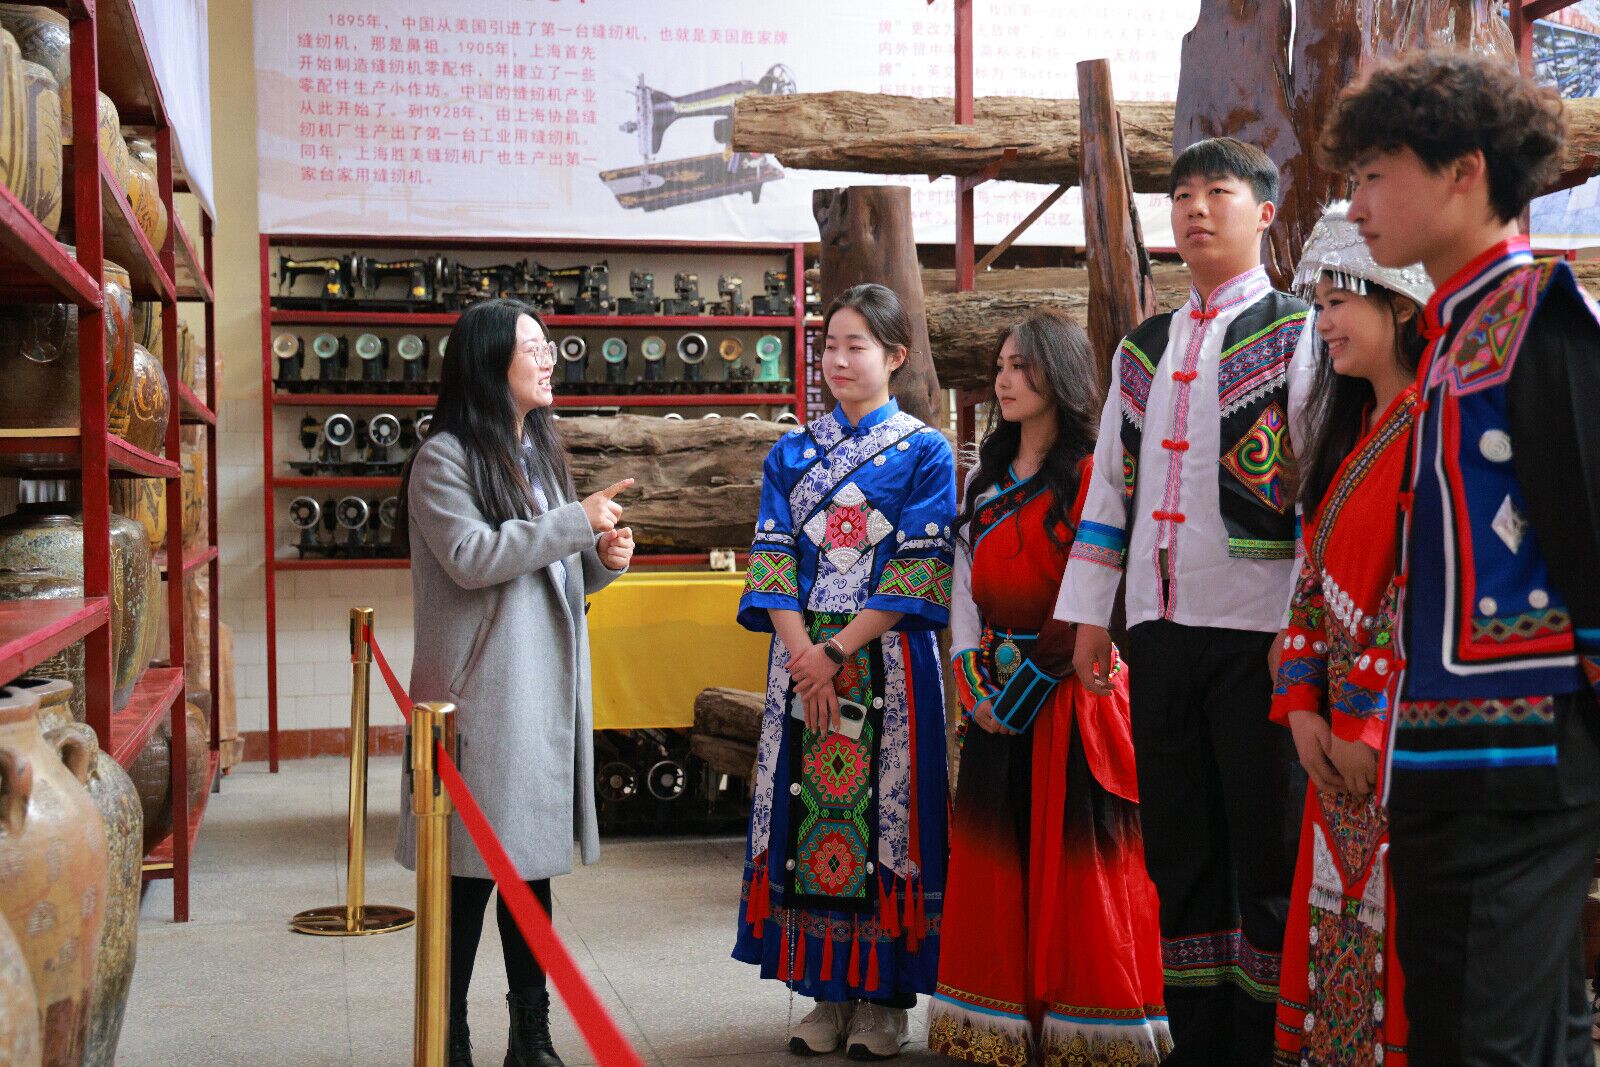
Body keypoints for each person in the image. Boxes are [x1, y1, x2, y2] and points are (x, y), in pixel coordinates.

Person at [1321, 51, 1600, 1065]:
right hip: (1444, 756)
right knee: (1504, 1030)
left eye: (1375, 173)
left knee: (1482, 1040)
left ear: (1463, 171)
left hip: (1522, 760)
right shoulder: (1450, 338)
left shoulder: (1541, 322)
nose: (1357, 205)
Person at [1055, 136, 1318, 1065]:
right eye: (1182, 196)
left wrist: (1302, 627)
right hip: (1158, 631)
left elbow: (1316, 490)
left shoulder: (1297, 331)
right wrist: (1092, 615)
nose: (1196, 209)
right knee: (1180, 846)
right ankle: (1198, 1044)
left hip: (1259, 632)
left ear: (1265, 213)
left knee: (1267, 849)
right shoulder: (1144, 347)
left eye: (1218, 192)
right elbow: (1108, 489)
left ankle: (1266, 1045)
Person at [396, 298, 636, 1067]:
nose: (548, 357)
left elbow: (549, 570)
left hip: (535, 698)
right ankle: (448, 1038)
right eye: (531, 346)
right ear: (487, 361)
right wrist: (574, 522)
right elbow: (473, 557)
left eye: (547, 344)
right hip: (481, 703)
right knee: (468, 879)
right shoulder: (444, 457)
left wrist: (601, 559)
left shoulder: (536, 452)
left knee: (529, 873)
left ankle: (530, 1039)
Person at [929, 309, 1170, 1066]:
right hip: (994, 693)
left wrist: (1031, 681)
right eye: (1001, 366)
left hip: (1074, 693)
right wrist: (972, 681)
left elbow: (1097, 587)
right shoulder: (983, 479)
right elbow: (963, 587)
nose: (1005, 380)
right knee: (999, 855)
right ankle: (1001, 1021)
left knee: (1079, 861)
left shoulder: (1094, 472)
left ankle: (1089, 1027)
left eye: (1022, 366)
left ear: (1058, 375)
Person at [733, 283, 956, 1060]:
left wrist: (834, 653)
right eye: (829, 345)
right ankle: (826, 990)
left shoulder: (927, 452)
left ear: (896, 355)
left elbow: (919, 568)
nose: (837, 359)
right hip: (802, 663)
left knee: (888, 827)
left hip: (883, 657)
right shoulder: (790, 453)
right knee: (806, 816)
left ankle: (885, 1002)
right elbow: (772, 561)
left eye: (855, 345)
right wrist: (804, 655)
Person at [1270, 202, 1434, 1067]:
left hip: (1392, 742)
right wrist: (1301, 709)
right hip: (1334, 744)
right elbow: (1310, 587)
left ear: (1400, 305)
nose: (1323, 322)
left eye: (1338, 302)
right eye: (1319, 305)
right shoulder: (1352, 431)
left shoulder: (1432, 430)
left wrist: (1362, 724)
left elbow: (1419, 589)